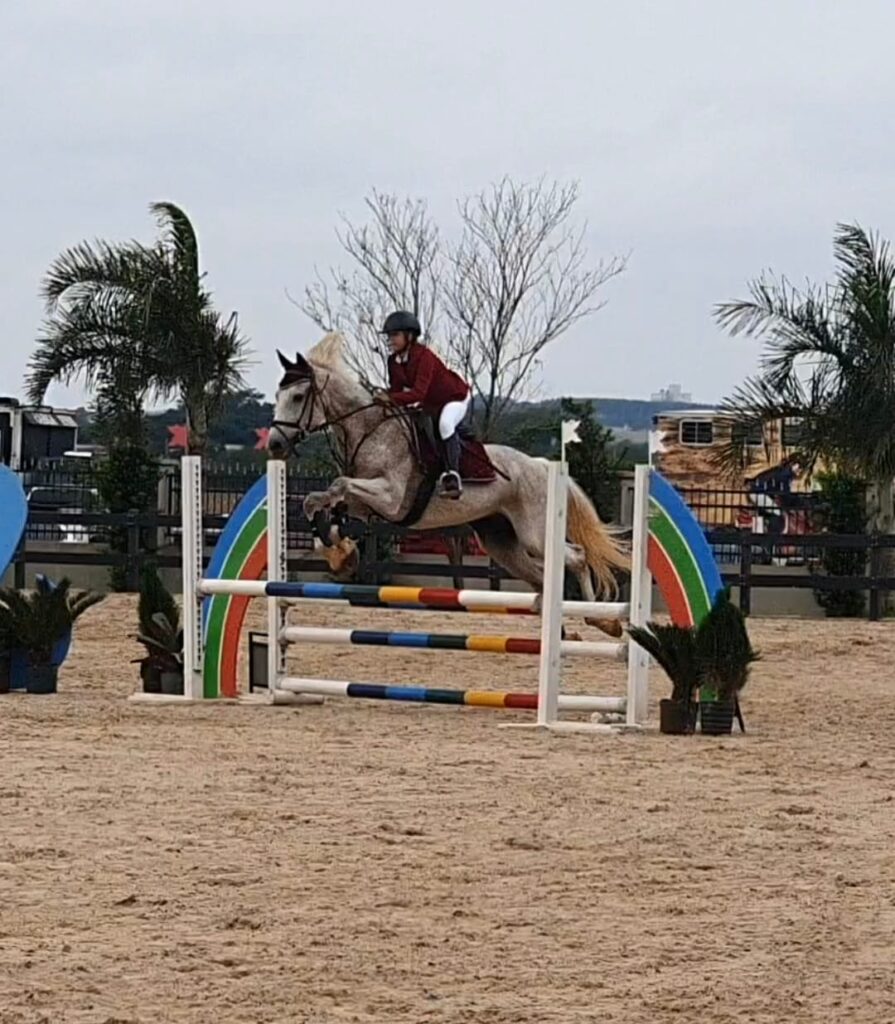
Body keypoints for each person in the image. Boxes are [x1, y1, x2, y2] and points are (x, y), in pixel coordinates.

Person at [376, 310, 471, 498]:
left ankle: (453, 476)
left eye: (395, 335)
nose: (390, 340)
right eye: (389, 336)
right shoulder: (393, 361)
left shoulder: (424, 356)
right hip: (430, 403)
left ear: (409, 336)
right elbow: (396, 389)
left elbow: (419, 393)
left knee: (445, 424)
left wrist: (391, 398)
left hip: (454, 397)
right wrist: (381, 396)